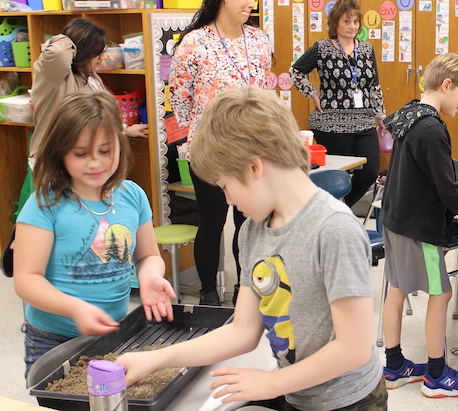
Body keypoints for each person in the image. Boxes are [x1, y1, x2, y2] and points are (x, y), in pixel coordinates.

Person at [116, 87, 386, 410]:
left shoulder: (334, 229)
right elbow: (243, 331)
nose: (228, 200)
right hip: (296, 391)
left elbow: (353, 348)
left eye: (226, 187)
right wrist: (157, 359)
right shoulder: (253, 233)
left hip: (350, 401)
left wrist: (270, 383)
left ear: (255, 168)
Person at [13, 91, 175, 378]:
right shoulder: (45, 203)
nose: (95, 163)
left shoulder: (132, 196)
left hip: (112, 332)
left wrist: (150, 277)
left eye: (105, 150)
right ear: (60, 152)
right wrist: (75, 308)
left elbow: (148, 255)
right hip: (52, 339)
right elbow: (27, 280)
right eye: (80, 154)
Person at [380, 53, 458, 398]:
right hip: (417, 227)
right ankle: (436, 374)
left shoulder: (410, 113)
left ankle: (393, 367)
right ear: (447, 85)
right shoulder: (433, 129)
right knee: (442, 293)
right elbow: (449, 192)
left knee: (396, 289)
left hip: (393, 218)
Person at [169, 0, 272, 306]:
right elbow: (181, 99)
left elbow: (263, 89)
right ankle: (208, 296)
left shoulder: (258, 40)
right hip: (209, 149)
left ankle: (246, 290)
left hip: (251, 149)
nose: (250, 3)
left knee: (248, 225)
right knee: (211, 223)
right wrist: (195, 138)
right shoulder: (194, 42)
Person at [17, 18, 147, 222]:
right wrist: (71, 38)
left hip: (86, 162)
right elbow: (58, 53)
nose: (103, 57)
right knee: (62, 222)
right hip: (58, 164)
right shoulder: (55, 76)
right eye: (98, 51)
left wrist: (125, 129)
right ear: (84, 51)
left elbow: (96, 116)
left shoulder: (91, 77)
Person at [290, 0, 384, 207]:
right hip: (331, 123)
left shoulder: (367, 49)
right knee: (337, 175)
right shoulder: (322, 48)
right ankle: (334, 212)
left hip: (364, 121)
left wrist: (380, 113)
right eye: (346, 21)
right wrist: (312, 94)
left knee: (369, 172)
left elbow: (374, 85)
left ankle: (338, 209)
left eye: (355, 22)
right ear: (335, 24)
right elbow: (295, 72)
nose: (352, 26)